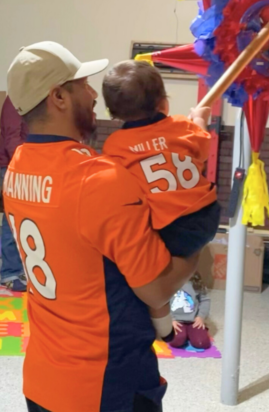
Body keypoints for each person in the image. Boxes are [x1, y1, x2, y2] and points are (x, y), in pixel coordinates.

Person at [3, 41, 199, 412]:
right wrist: (195, 238)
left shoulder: (17, 167)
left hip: (43, 380)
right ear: (58, 96)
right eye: (83, 84)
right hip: (104, 385)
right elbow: (156, 289)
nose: (94, 94)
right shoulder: (97, 179)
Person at [102, 60, 220, 342]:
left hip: (172, 225)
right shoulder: (183, 126)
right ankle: (168, 317)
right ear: (164, 104)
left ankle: (164, 325)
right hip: (207, 214)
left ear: (113, 113)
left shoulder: (115, 146)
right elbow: (202, 148)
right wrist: (199, 118)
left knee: (150, 270)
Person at [0, 96, 28, 291]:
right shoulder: (16, 100)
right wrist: (25, 165)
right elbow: (12, 137)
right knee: (12, 220)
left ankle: (16, 268)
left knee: (19, 218)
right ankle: (8, 272)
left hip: (20, 165)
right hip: (11, 166)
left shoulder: (30, 98)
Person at [170, 272, 211, 350]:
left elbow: (205, 300)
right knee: (177, 341)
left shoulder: (196, 283)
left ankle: (190, 332)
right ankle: (185, 333)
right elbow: (161, 304)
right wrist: (170, 320)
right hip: (175, 320)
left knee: (201, 343)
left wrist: (200, 316)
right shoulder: (167, 283)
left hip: (193, 320)